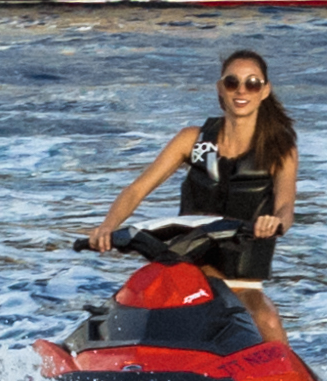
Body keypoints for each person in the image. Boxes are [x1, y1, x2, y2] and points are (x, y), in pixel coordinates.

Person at [77, 53, 304, 349]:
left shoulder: (280, 149)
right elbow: (137, 189)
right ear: (220, 88)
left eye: (252, 84)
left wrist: (274, 222)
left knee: (268, 321)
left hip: (241, 280)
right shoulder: (191, 140)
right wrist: (107, 227)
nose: (241, 91)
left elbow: (286, 207)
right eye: (232, 82)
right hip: (190, 272)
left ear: (265, 90)